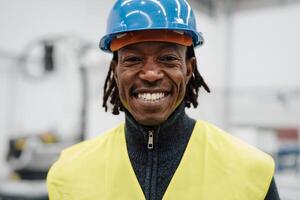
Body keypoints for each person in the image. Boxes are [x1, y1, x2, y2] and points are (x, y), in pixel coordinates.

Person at [47, 0, 280, 199]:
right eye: (133, 59)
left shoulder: (252, 172)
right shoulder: (69, 173)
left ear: (189, 69)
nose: (150, 74)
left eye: (168, 58)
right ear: (115, 71)